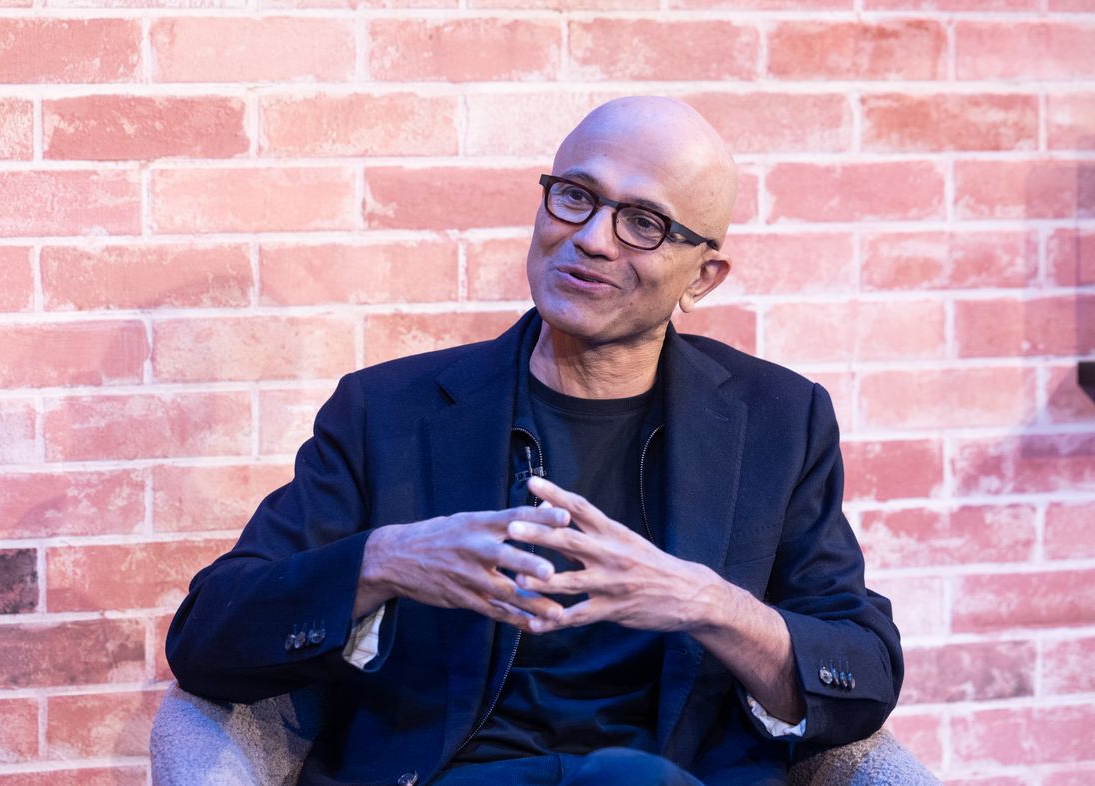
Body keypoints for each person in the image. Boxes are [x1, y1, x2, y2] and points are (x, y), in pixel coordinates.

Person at [166, 96, 903, 786]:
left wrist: (704, 601)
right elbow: (208, 639)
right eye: (576, 196)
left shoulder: (778, 419)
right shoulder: (390, 412)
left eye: (643, 222)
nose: (589, 239)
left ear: (703, 275)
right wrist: (384, 561)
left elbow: (862, 670)